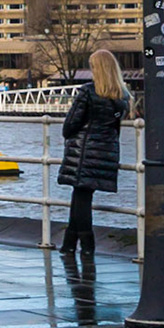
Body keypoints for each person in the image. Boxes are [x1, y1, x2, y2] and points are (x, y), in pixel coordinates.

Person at [58, 48, 130, 255]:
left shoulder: (88, 92)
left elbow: (70, 125)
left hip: (84, 152)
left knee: (81, 198)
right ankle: (69, 244)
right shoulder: (122, 97)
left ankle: (87, 246)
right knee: (82, 195)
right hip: (106, 152)